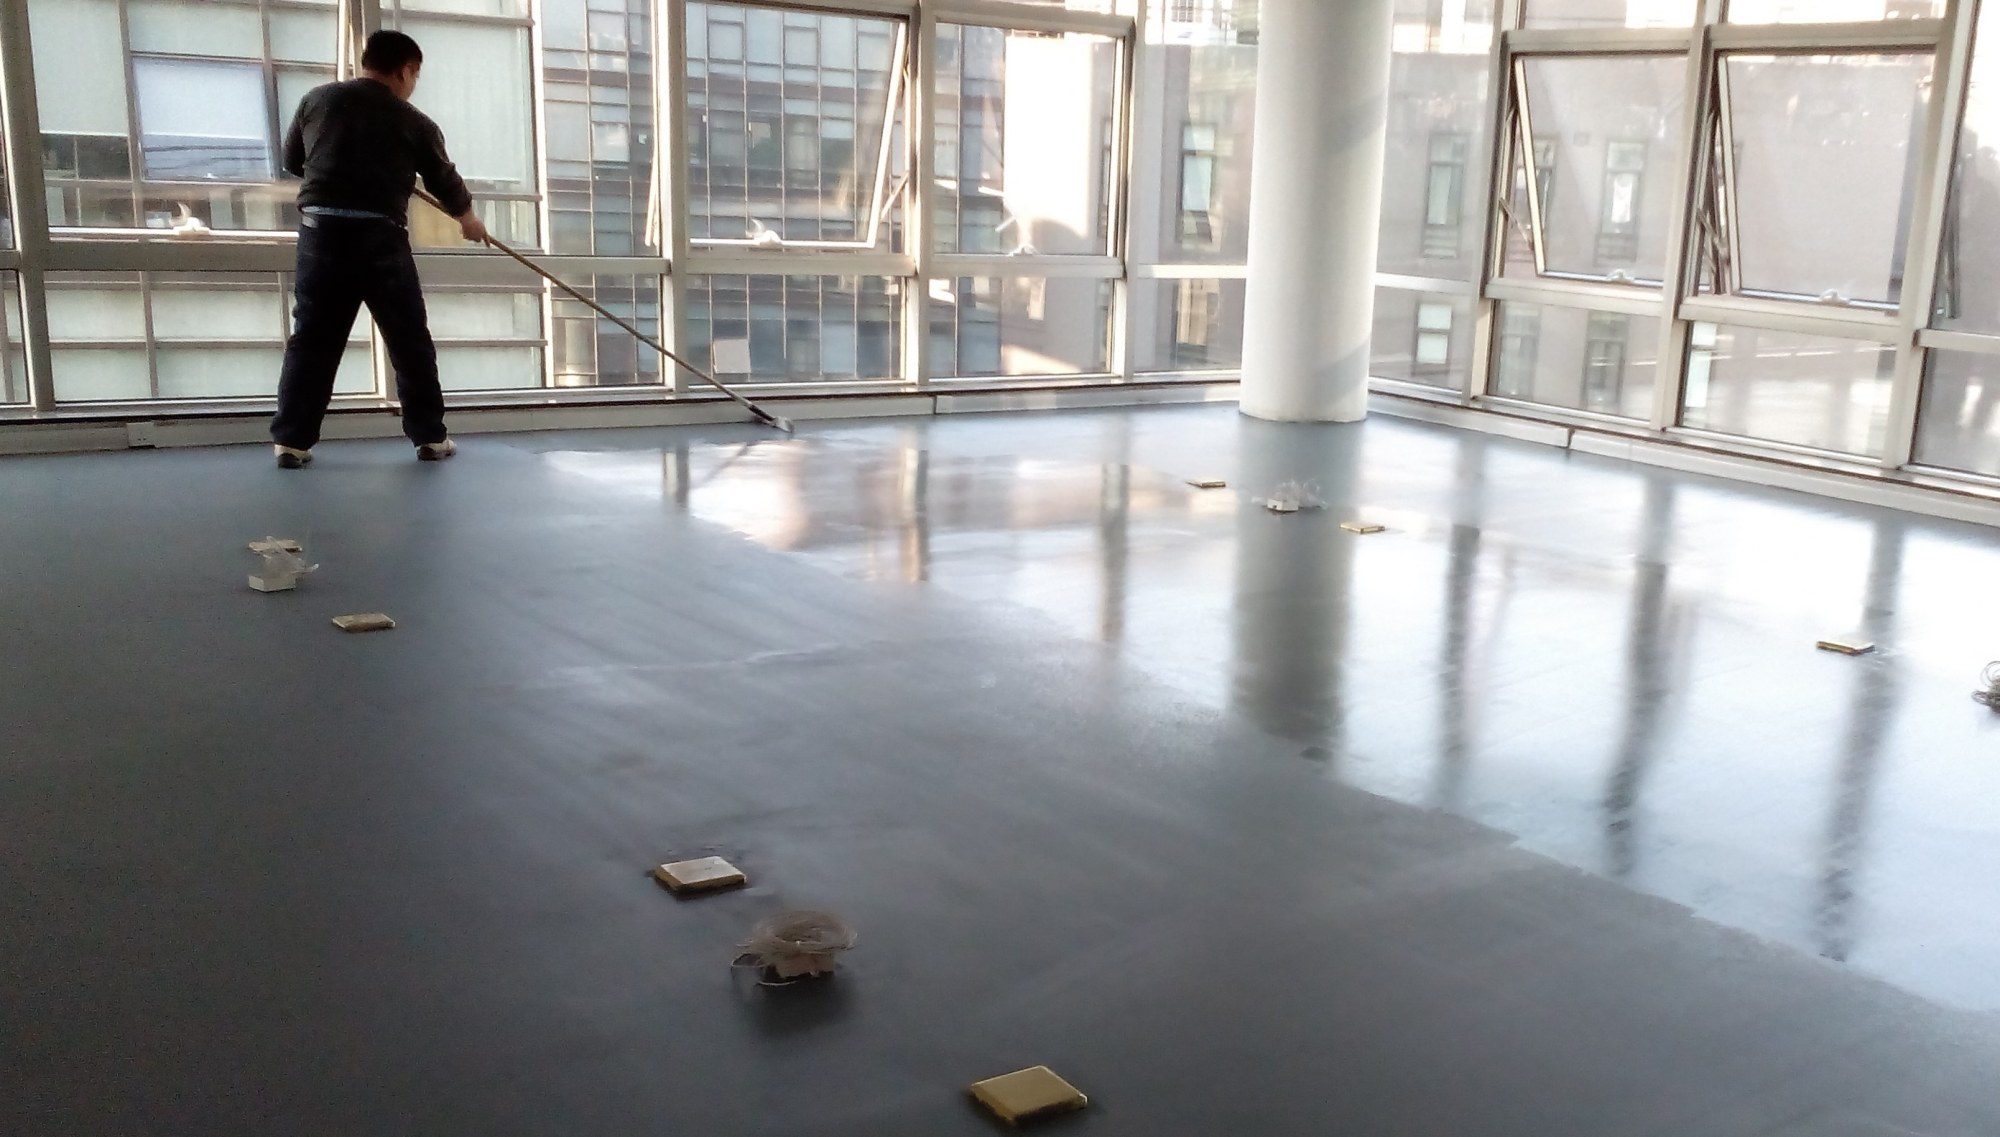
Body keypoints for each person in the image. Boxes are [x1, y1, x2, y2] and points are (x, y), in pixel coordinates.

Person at [269, 30, 488, 469]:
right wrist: (467, 217)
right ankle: (430, 438)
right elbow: (443, 177)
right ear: (406, 70)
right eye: (415, 76)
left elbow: (294, 161)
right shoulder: (413, 121)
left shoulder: (316, 100)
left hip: (321, 234)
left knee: (312, 341)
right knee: (409, 341)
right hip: (379, 240)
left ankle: (291, 442)